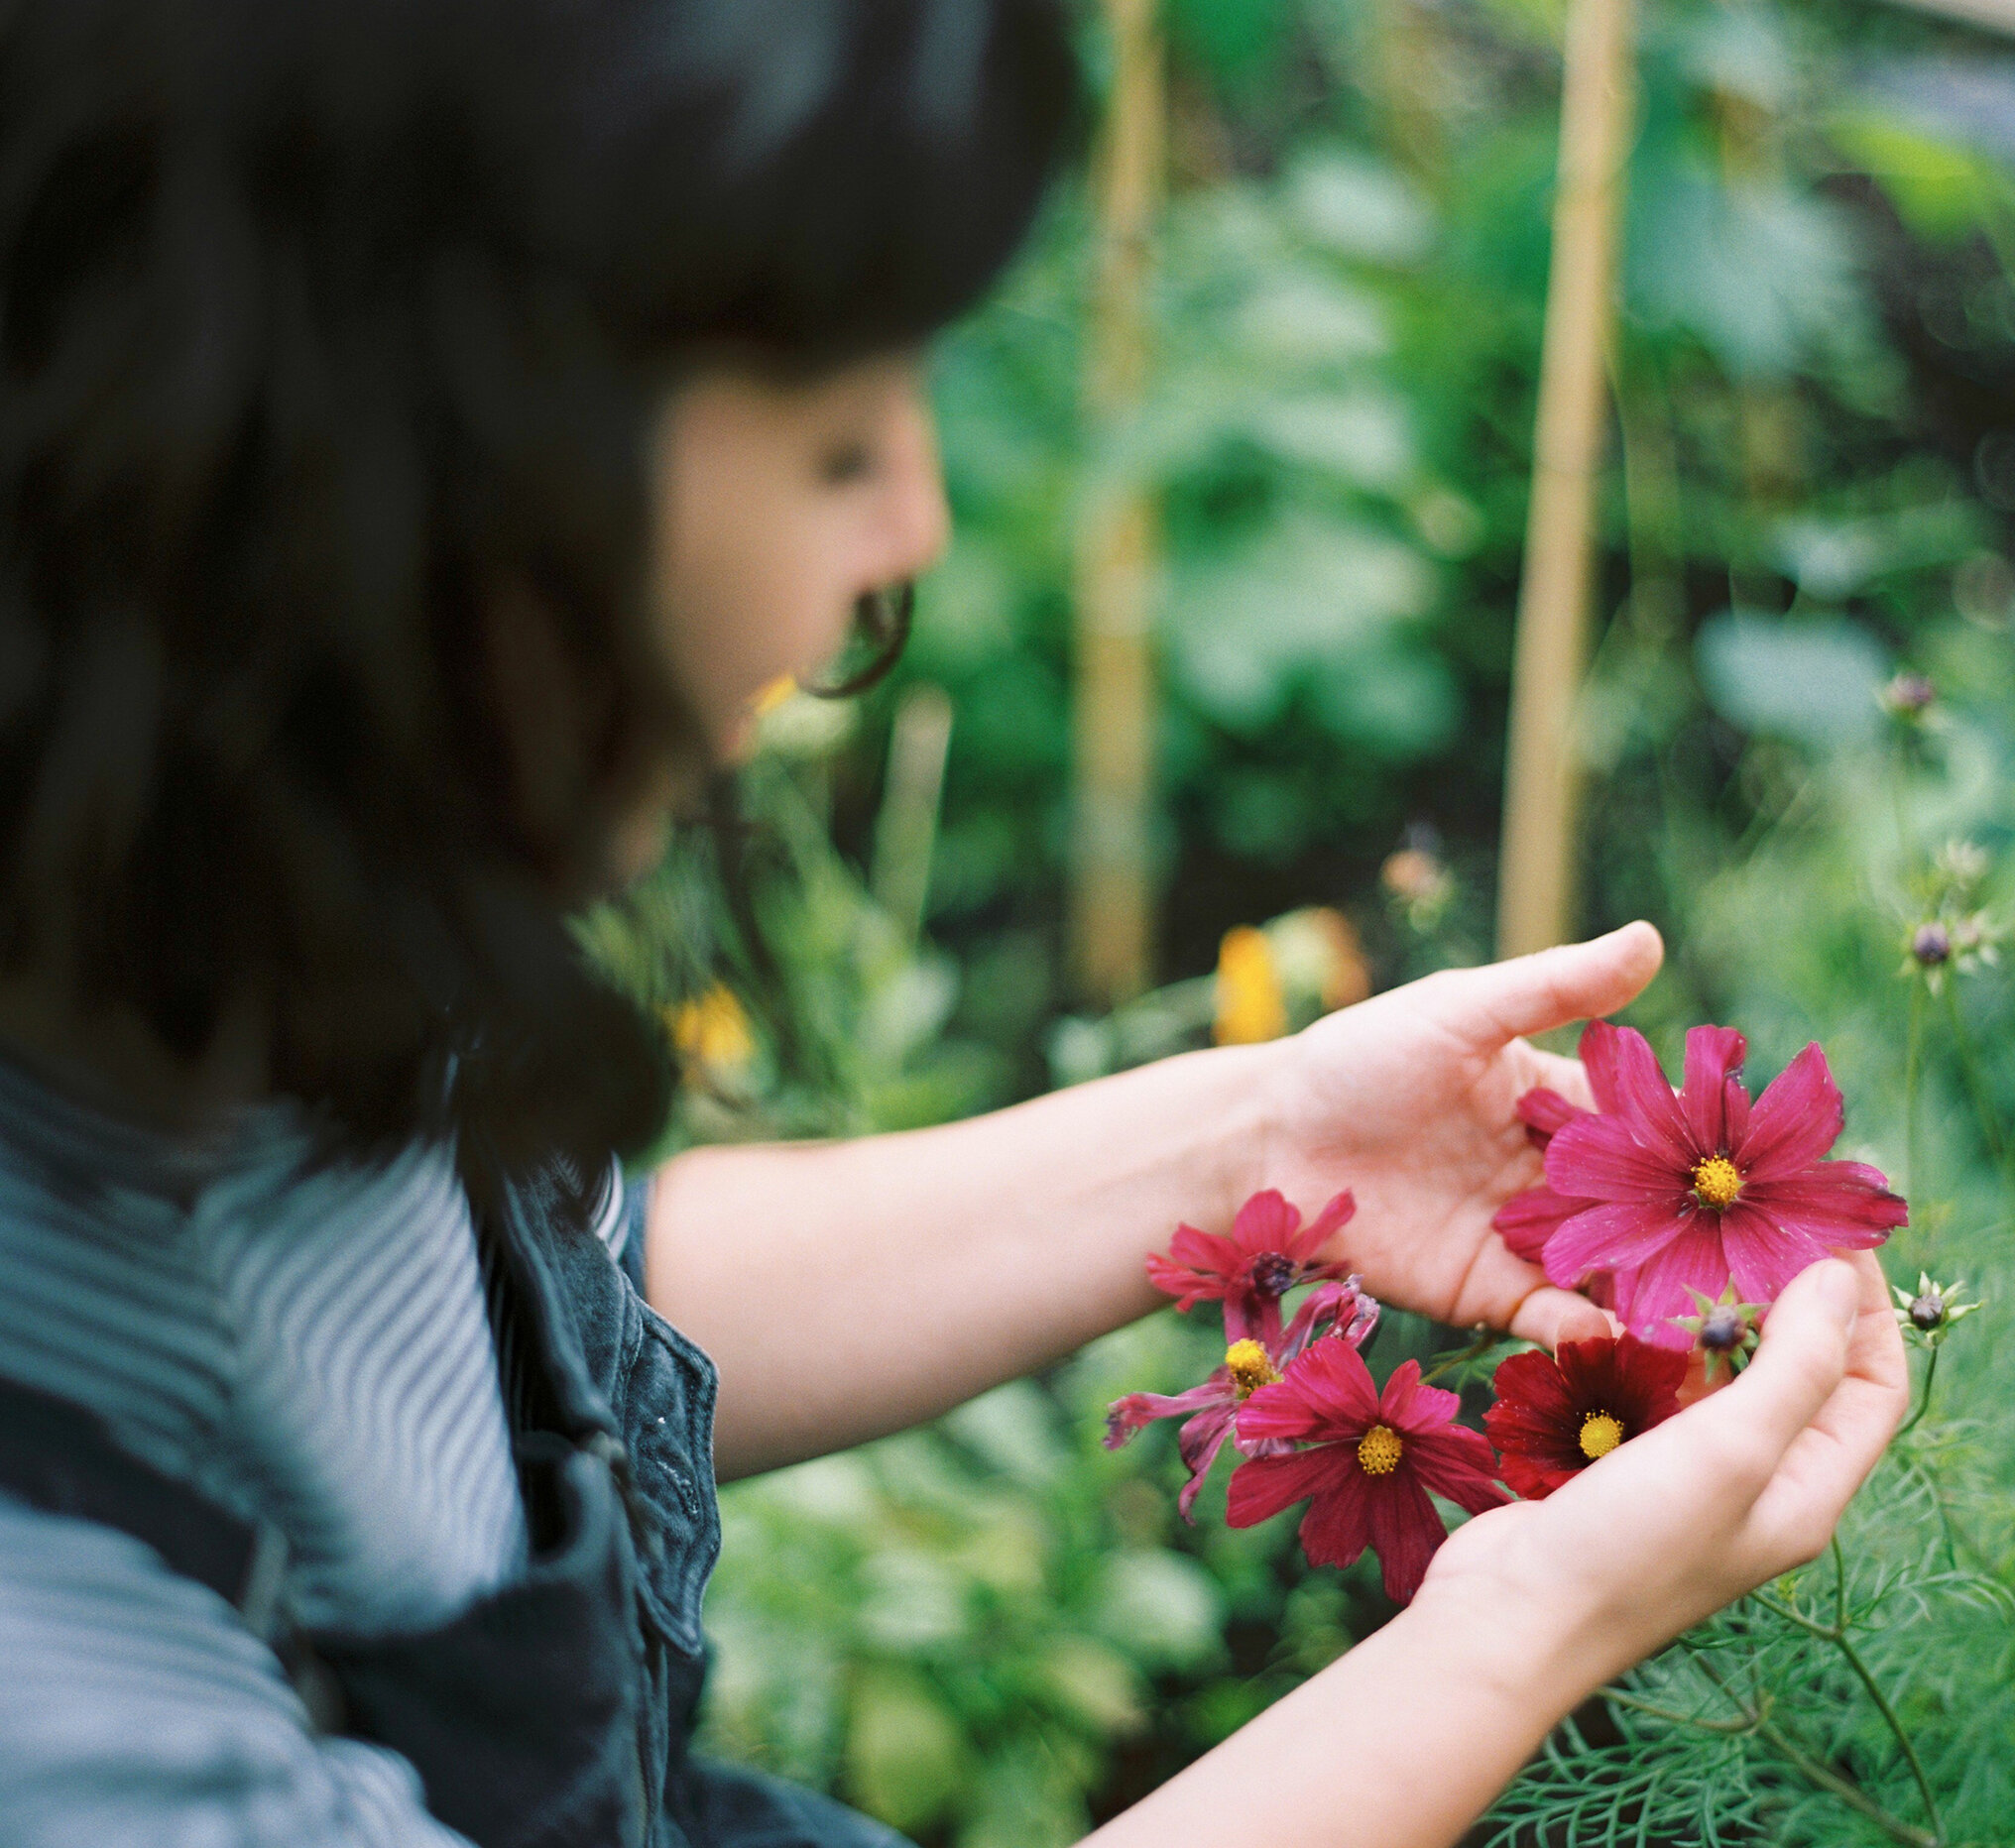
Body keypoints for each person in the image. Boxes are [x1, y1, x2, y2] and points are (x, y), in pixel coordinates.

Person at [0, 2, 1908, 1844]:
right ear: (412, 475)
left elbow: (535, 1319)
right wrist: (1522, 1628)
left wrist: (1274, 1144)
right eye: (834, 440)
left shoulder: (193, 842)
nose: (913, 517)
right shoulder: (59, 1690)